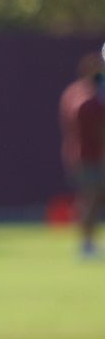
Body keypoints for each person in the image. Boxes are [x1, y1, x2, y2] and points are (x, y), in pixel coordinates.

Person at [59, 53, 105, 257]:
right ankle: (85, 244)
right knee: (91, 197)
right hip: (86, 155)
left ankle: (88, 242)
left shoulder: (88, 92)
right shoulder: (82, 95)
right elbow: (85, 117)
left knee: (94, 198)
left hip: (90, 153)